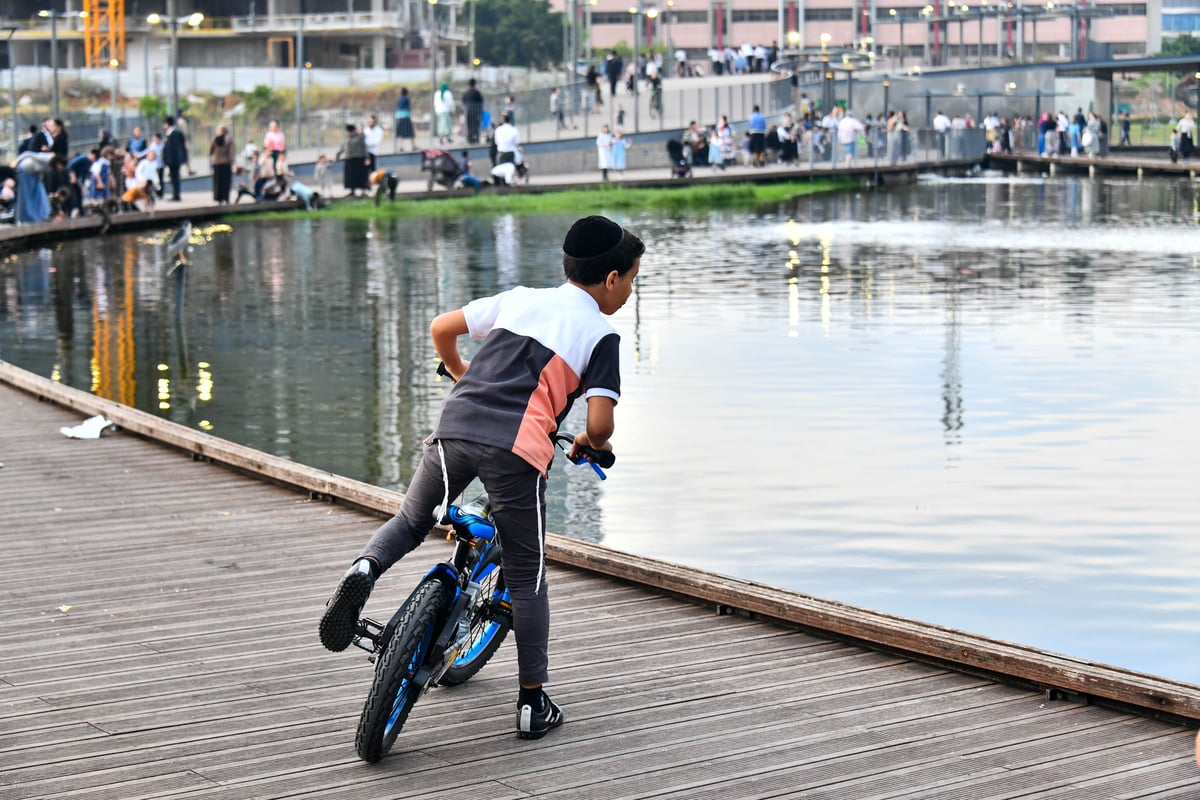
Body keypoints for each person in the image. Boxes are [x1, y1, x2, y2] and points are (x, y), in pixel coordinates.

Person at [318, 214, 645, 741]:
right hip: (517, 451)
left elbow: (441, 329)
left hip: (455, 425)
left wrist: (463, 374)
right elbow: (601, 422)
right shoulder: (600, 334)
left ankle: (363, 570)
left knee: (410, 519)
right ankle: (532, 703)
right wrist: (592, 443)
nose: (629, 292)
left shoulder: (518, 299)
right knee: (527, 574)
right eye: (630, 279)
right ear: (610, 278)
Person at [336, 124, 370, 197]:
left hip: (359, 159)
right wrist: (337, 156)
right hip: (349, 159)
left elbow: (365, 148)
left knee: (361, 175)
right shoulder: (346, 138)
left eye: (350, 131)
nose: (348, 133)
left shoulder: (360, 137)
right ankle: (352, 191)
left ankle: (363, 191)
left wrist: (367, 158)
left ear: (353, 131)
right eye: (348, 131)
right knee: (350, 177)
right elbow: (342, 148)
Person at [162, 116, 188, 201]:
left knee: (175, 177)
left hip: (174, 160)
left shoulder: (174, 134)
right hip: (174, 160)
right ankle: (175, 194)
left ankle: (176, 195)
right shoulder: (173, 133)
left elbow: (173, 149)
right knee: (174, 177)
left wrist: (169, 160)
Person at [210, 125, 235, 204]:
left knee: (218, 181)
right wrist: (233, 162)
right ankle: (226, 197)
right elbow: (231, 152)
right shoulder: (229, 140)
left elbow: (210, 150)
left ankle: (218, 198)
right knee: (226, 181)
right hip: (226, 162)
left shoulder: (214, 139)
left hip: (216, 162)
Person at [463, 78, 485, 144]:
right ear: (475, 84)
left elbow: (463, 101)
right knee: (476, 125)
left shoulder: (466, 93)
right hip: (476, 112)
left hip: (468, 112)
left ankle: (470, 139)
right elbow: (481, 101)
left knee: (469, 126)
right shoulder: (477, 93)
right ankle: (476, 138)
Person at [395, 87, 416, 151]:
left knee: (400, 133)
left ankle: (401, 147)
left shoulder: (398, 100)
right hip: (406, 116)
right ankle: (413, 146)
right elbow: (409, 108)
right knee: (410, 132)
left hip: (398, 116)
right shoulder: (407, 99)